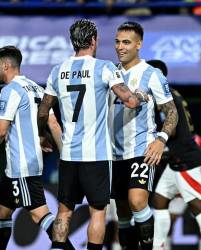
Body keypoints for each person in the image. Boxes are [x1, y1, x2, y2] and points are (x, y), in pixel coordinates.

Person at [37, 19, 148, 250]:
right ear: (94, 40)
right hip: (96, 156)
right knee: (98, 212)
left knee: (64, 211)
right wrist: (141, 96)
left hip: (68, 156)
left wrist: (42, 135)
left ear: (72, 42)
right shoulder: (104, 67)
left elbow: (43, 111)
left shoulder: (57, 71)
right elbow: (128, 101)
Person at [109, 22, 178, 250]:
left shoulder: (152, 74)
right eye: (118, 42)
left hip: (141, 149)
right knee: (123, 213)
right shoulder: (109, 71)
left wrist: (161, 140)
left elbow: (171, 112)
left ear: (139, 45)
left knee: (137, 201)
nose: (120, 47)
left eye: (126, 42)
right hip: (113, 153)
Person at [0, 46, 74, 250]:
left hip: (20, 167)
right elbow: (53, 124)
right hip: (22, 167)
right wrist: (64, 156)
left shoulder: (9, 91)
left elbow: (1, 131)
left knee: (39, 214)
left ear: (5, 65)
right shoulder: (37, 88)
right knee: (2, 212)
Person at [147, 59, 201, 250]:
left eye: (147, 73)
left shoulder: (164, 96)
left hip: (185, 158)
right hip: (176, 159)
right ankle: (158, 247)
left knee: (198, 206)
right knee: (160, 199)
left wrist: (155, 142)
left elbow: (171, 128)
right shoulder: (171, 92)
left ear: (156, 76)